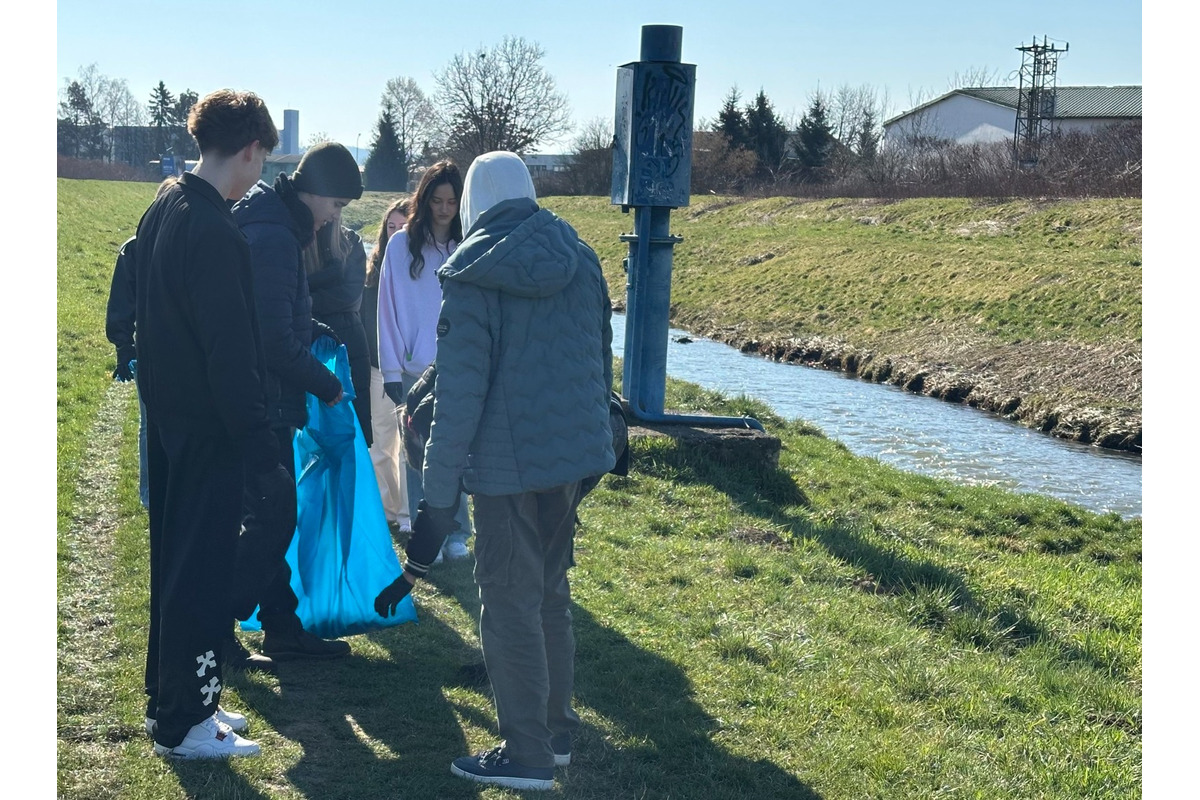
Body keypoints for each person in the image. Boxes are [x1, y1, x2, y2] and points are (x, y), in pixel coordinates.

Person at [375, 150, 616, 791]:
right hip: (571, 459)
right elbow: (600, 362)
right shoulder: (582, 257)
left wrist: (437, 504)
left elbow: (459, 403)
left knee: (507, 604)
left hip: (506, 468)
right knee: (550, 593)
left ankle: (527, 755)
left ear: (476, 204)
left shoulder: (473, 271)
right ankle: (556, 732)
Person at [134, 89, 288, 759]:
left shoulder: (165, 204)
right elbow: (230, 351)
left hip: (170, 422)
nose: (262, 175)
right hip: (209, 429)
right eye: (264, 160)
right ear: (250, 149)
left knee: (174, 567)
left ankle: (174, 705)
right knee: (199, 574)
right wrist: (259, 443)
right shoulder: (215, 229)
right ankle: (188, 726)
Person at [232, 140, 362, 661]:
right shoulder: (276, 237)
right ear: (317, 193)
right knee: (274, 516)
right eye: (337, 204)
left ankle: (282, 628)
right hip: (259, 401)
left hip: (264, 398)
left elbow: (280, 314)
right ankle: (216, 621)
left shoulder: (273, 222)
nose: (335, 216)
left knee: (272, 514)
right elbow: (271, 337)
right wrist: (326, 385)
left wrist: (316, 328)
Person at [377, 161, 473, 561]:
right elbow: (387, 308)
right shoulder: (401, 246)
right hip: (416, 369)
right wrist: (392, 370)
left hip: (460, 366)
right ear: (425, 200)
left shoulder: (469, 244)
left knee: (456, 450)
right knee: (416, 452)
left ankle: (458, 533)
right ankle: (423, 533)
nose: (445, 209)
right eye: (437, 200)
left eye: (452, 201)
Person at [105, 177, 177, 510]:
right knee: (151, 425)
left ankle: (164, 494)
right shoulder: (135, 249)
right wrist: (124, 350)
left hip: (166, 351)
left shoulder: (174, 245)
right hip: (151, 353)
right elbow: (122, 303)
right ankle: (152, 496)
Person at [363, 197, 412, 533]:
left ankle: (409, 516)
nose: (395, 234)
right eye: (390, 227)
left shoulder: (417, 270)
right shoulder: (372, 269)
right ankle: (388, 511)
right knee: (382, 445)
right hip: (376, 368)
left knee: (410, 447)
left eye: (403, 228)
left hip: (411, 370)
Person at [306, 207, 372, 446]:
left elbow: (350, 296)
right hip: (314, 346)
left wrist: (305, 296)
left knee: (350, 443)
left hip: (348, 351)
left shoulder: (351, 242)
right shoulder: (294, 241)